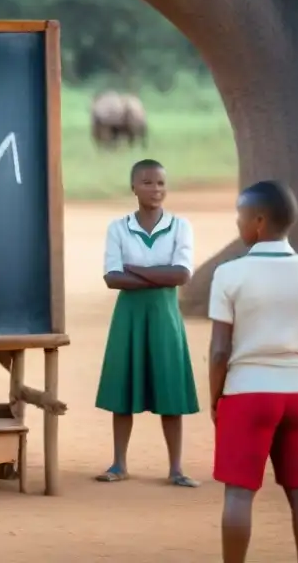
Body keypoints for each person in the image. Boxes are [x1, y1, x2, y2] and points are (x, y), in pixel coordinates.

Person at [209, 181, 298, 563]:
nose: (238, 224)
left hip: (247, 393)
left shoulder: (229, 275)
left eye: (240, 217)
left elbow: (219, 351)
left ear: (258, 221)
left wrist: (216, 400)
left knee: (238, 494)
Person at [94, 159, 200, 486]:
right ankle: (118, 464)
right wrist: (159, 275)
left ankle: (176, 469)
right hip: (129, 315)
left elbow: (181, 274)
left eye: (160, 184)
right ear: (133, 187)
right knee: (123, 389)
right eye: (147, 182)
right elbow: (112, 279)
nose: (155, 190)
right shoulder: (118, 227)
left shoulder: (180, 226)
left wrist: (135, 270)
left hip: (165, 315)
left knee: (171, 389)